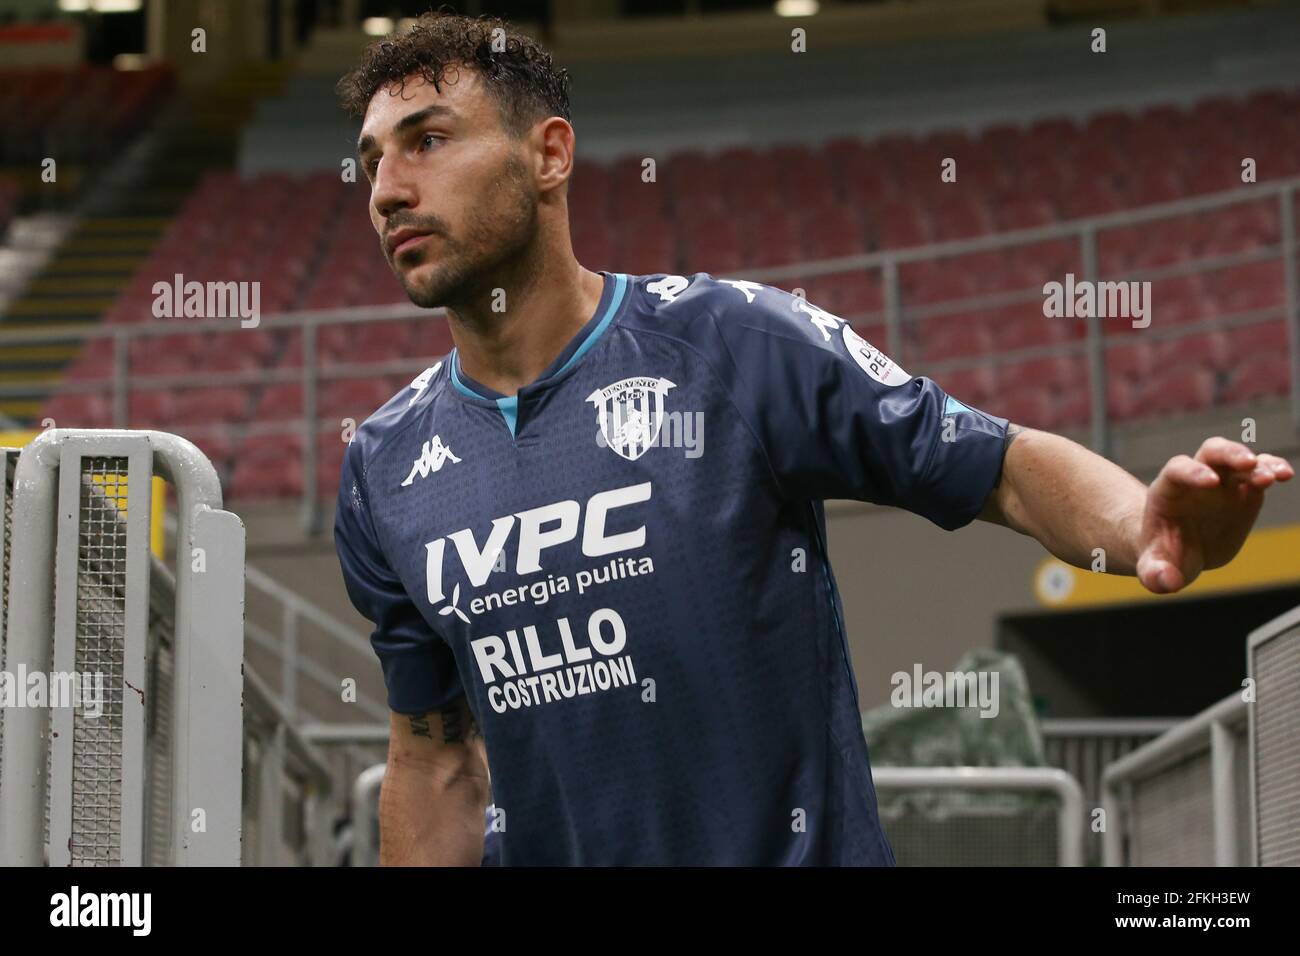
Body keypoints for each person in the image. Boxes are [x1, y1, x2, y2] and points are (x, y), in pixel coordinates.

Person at [333, 12, 1293, 865]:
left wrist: (1137, 526)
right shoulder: (383, 467)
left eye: (428, 141)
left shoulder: (735, 344)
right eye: (374, 159)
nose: (386, 188)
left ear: (549, 155)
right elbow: (432, 757)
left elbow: (997, 466)